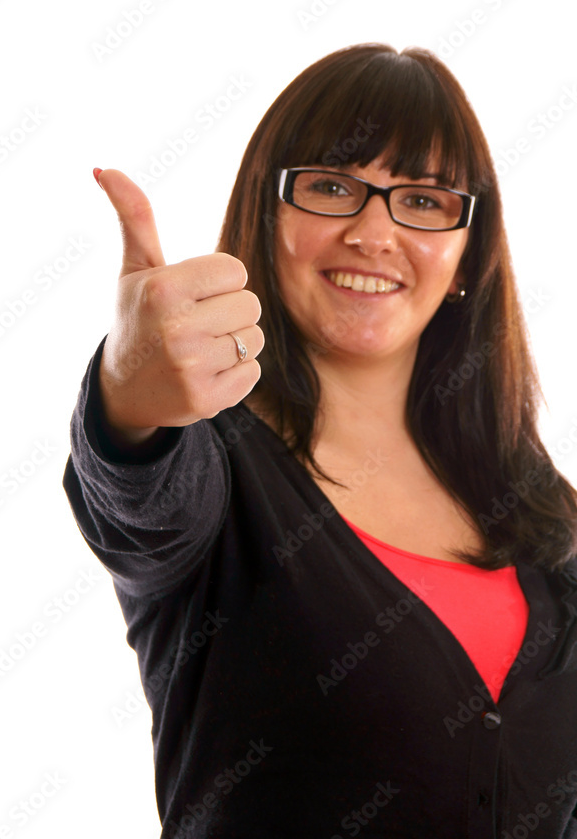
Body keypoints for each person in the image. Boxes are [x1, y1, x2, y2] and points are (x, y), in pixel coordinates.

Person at [62, 43, 577, 838]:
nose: (375, 233)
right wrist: (127, 394)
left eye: (425, 200)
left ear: (468, 248)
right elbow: (139, 496)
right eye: (333, 188)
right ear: (267, 215)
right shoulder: (216, 465)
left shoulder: (527, 493)